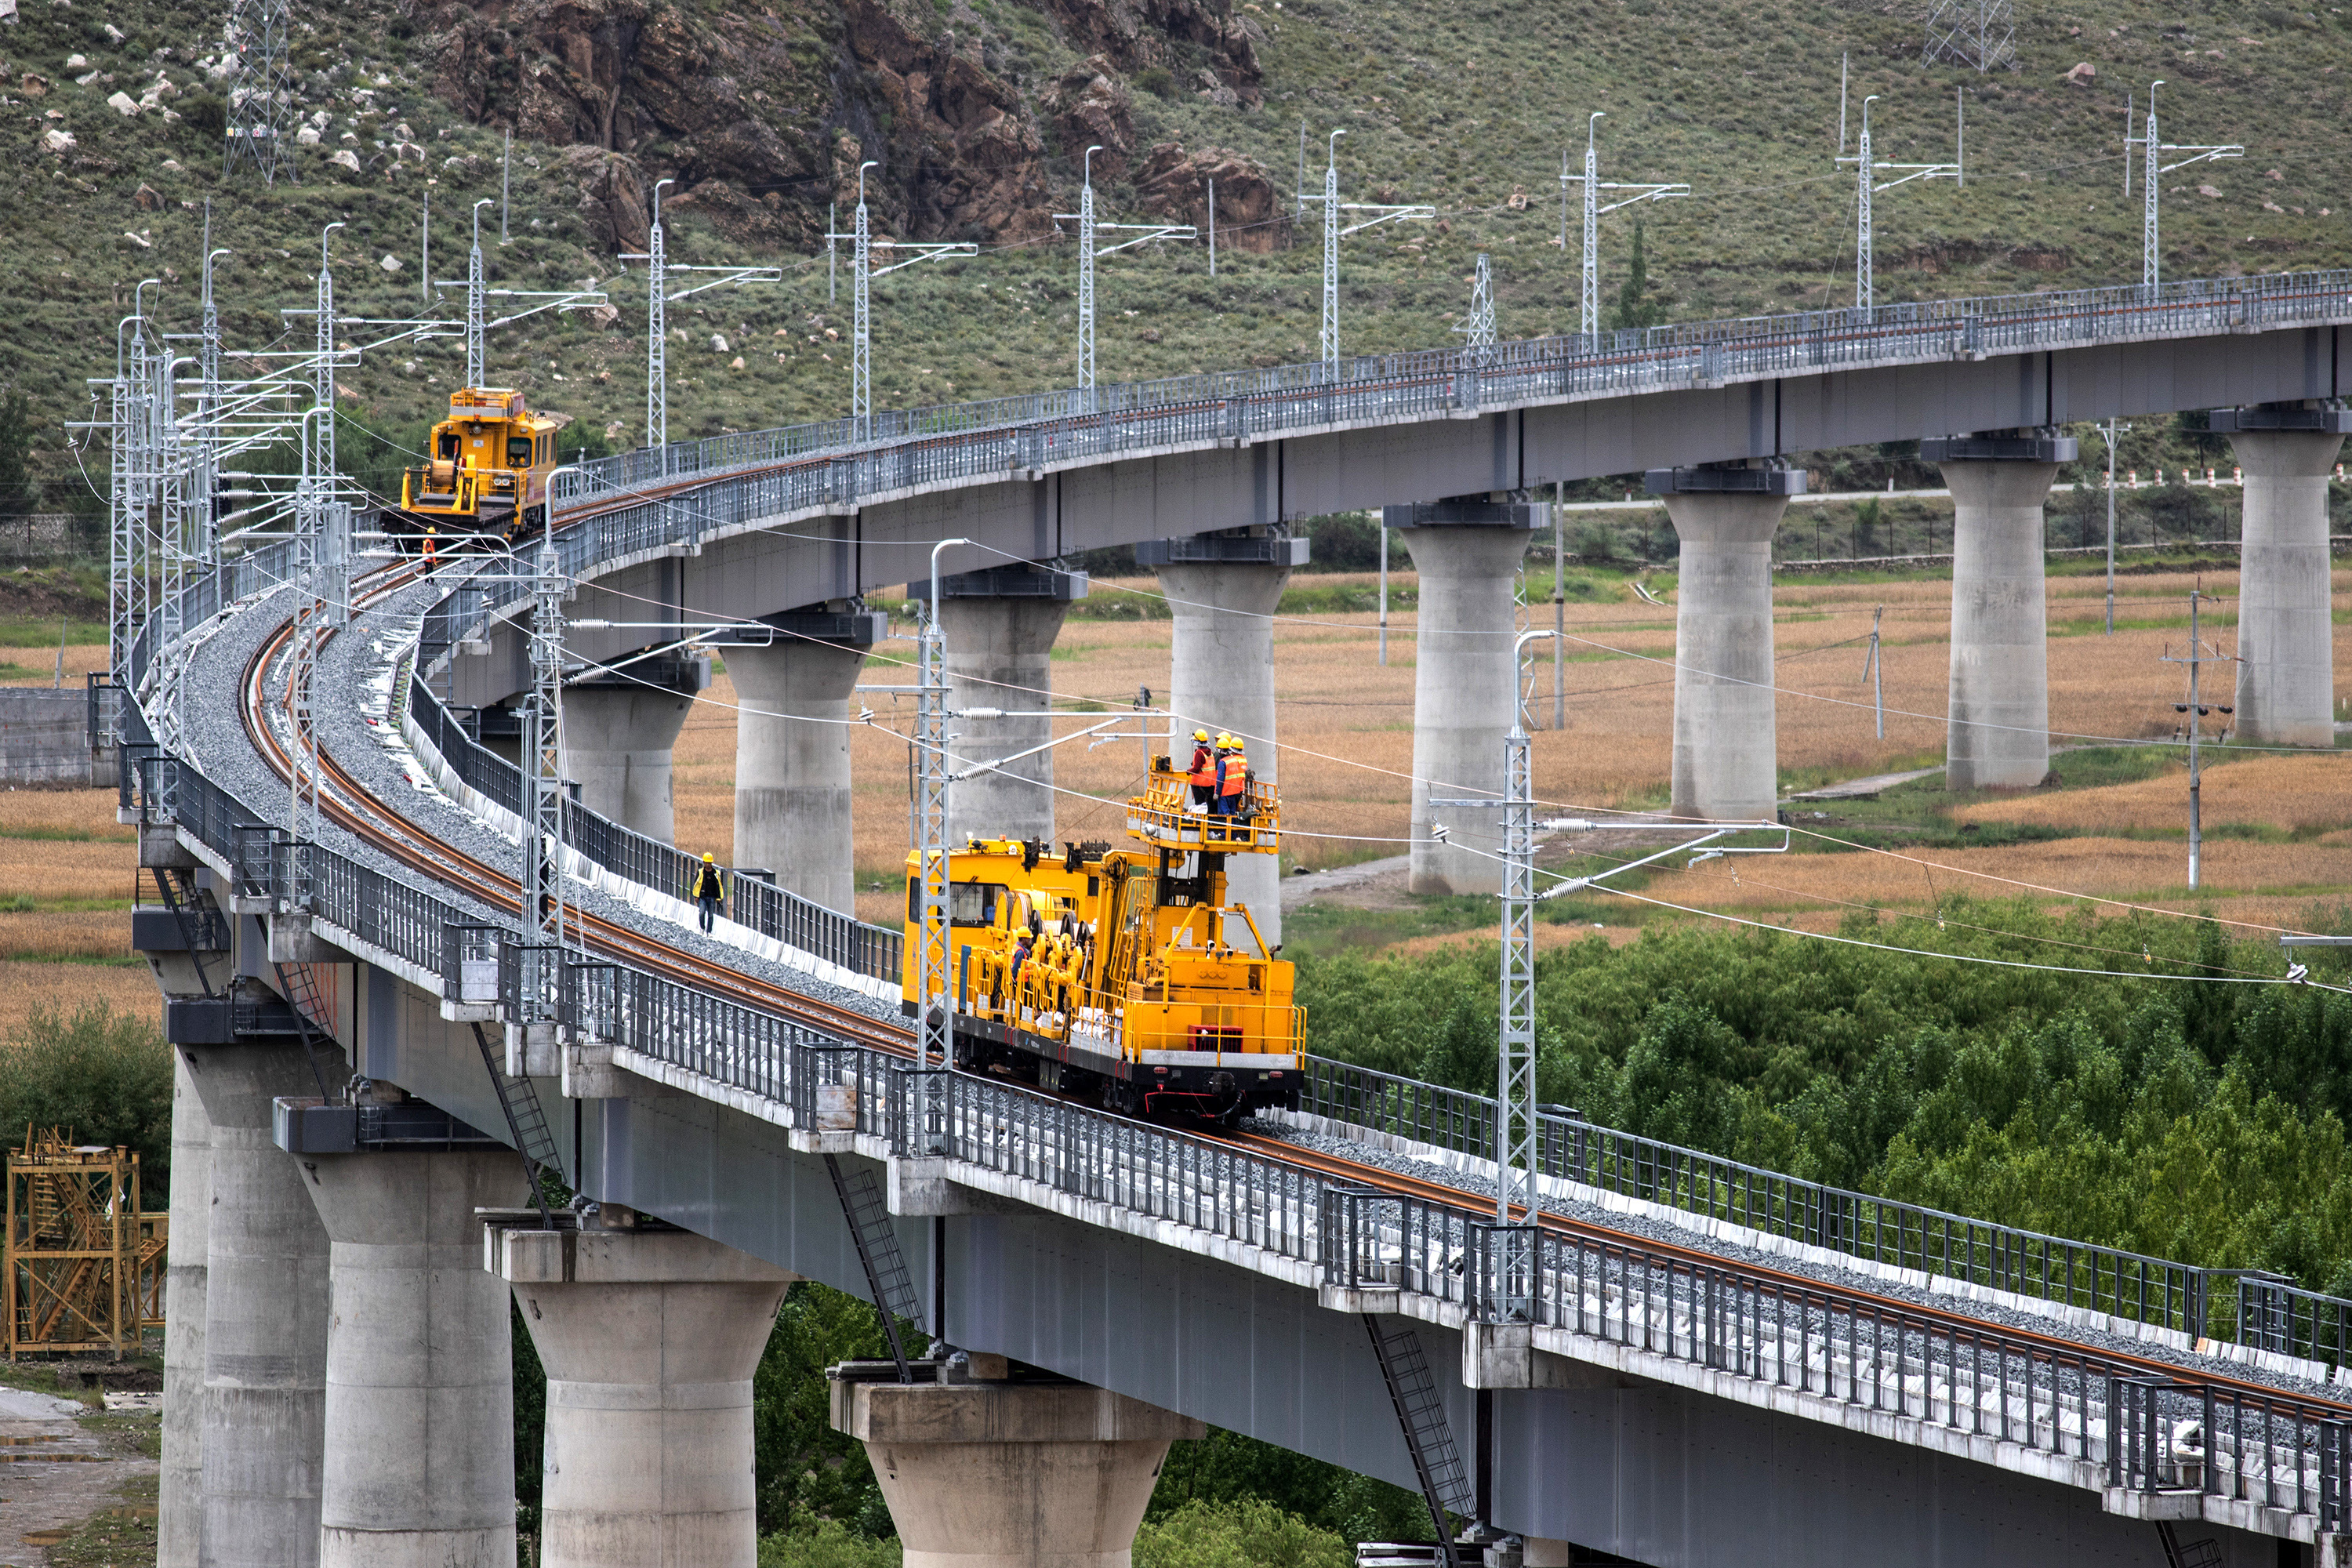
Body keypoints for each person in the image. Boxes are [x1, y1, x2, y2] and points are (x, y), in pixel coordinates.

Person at [690, 852, 725, 934]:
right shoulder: (700, 872)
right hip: (702, 897)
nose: (708, 864)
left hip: (712, 897)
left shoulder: (716, 873)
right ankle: (702, 928)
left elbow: (719, 885)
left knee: (710, 915)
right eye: (707, 863)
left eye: (709, 863)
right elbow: (696, 885)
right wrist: (696, 896)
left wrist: (719, 898)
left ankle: (709, 931)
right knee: (702, 913)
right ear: (704, 863)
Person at [1214, 738, 1247, 822]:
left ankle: (1224, 834)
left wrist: (1217, 793)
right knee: (1232, 814)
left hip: (1224, 793)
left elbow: (1220, 779)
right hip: (1235, 792)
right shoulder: (1234, 760)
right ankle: (1233, 834)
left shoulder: (1223, 762)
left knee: (1224, 815)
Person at [1186, 728, 1216, 813]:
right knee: (1208, 806)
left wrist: (1188, 771)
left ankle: (1200, 824)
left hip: (1200, 785)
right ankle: (1209, 822)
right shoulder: (1210, 753)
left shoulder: (1199, 753)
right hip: (1210, 785)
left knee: (1199, 806)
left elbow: (1196, 769)